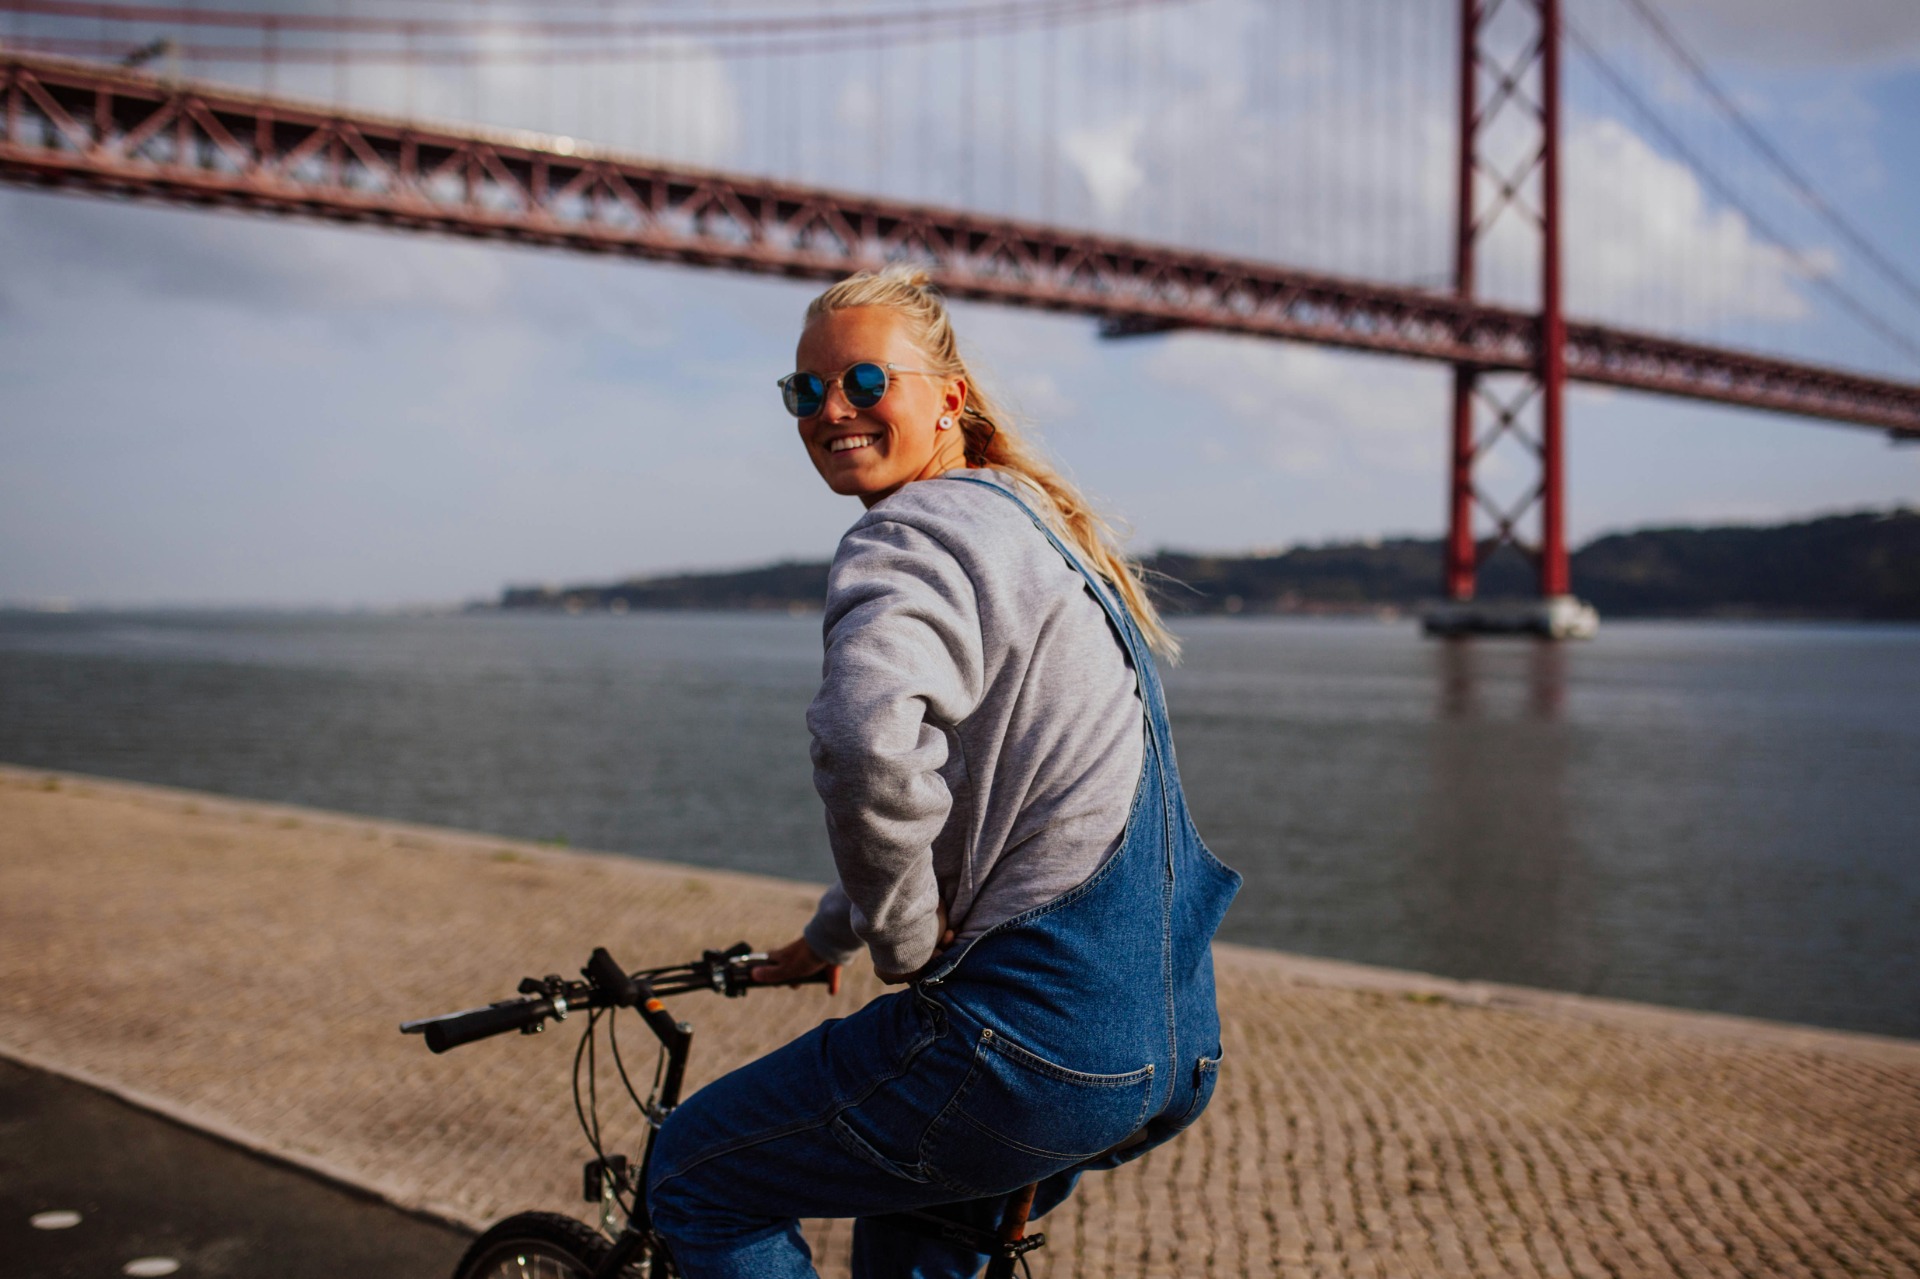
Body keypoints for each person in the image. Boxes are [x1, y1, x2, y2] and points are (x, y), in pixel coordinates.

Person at [644, 266, 1241, 1279]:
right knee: (916, 1233)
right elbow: (971, 806)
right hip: (1170, 1042)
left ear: (949, 398)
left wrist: (907, 939)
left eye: (866, 381)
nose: (833, 409)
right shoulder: (1034, 526)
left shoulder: (908, 533)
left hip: (1035, 1044)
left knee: (696, 1173)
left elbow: (866, 745)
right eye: (805, 391)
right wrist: (830, 935)